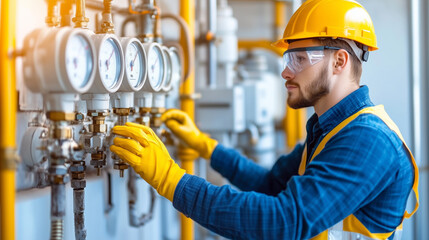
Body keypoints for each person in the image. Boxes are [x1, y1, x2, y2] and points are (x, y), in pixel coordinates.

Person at [110, 0, 419, 239]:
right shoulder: (331, 130)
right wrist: (208, 148)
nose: (286, 71)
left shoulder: (368, 140)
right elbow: (270, 185)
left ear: (339, 60)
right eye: (288, 58)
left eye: (299, 58)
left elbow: (285, 223)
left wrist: (173, 182)